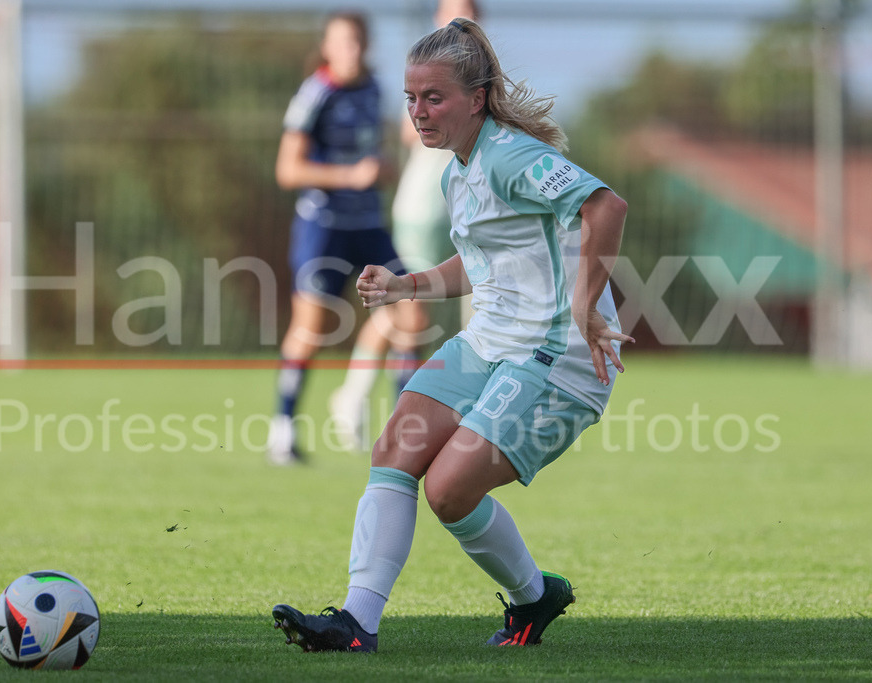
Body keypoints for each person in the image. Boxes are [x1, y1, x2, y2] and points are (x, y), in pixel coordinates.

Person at [271, 17, 634, 652]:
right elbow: (482, 263)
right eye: (411, 98)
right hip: (490, 343)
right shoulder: (456, 171)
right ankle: (357, 623)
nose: (417, 111)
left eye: (433, 98)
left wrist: (585, 304)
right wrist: (403, 287)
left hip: (557, 358)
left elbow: (605, 205)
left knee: (447, 490)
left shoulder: (513, 155)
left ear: (477, 98)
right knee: (395, 449)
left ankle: (533, 597)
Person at [327, 0, 481, 453]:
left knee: (442, 310)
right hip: (421, 209)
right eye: (451, 11)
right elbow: (406, 130)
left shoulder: (482, 77)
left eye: (469, 10)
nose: (460, 19)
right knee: (405, 305)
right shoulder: (430, 69)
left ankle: (450, 414)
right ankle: (359, 401)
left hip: (460, 213)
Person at [267, 11, 418, 465]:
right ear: (328, 47)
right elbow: (288, 169)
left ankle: (405, 436)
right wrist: (350, 176)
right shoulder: (316, 92)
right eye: (342, 42)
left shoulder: (375, 90)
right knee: (311, 330)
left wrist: (381, 171)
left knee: (411, 308)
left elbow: (380, 156)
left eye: (357, 41)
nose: (350, 50)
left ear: (366, 45)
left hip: (368, 225)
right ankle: (282, 431)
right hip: (324, 226)